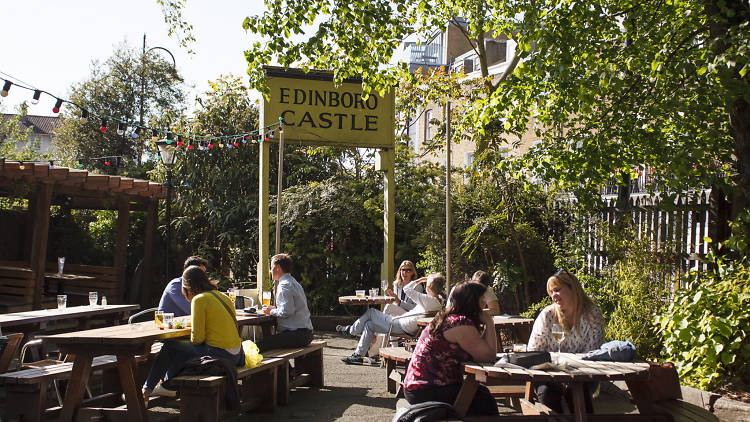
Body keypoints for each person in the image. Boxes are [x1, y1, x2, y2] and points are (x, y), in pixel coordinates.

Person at [143, 266, 244, 397]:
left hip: (221, 356)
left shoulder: (199, 299)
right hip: (237, 355)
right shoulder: (223, 297)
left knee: (170, 347)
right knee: (178, 348)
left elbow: (197, 339)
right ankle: (169, 386)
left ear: (186, 287)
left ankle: (147, 389)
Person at [402, 281, 498, 415]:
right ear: (472, 302)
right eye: (482, 300)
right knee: (484, 401)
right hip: (427, 390)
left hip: (417, 387)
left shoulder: (446, 318)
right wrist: (489, 322)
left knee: (480, 393)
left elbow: (480, 351)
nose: (484, 305)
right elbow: (489, 356)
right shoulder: (460, 324)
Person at [527, 269, 604, 413]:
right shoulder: (548, 315)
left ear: (572, 289)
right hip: (547, 373)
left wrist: (570, 374)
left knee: (576, 392)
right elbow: (533, 352)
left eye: (557, 290)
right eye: (551, 292)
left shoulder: (592, 315)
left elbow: (594, 354)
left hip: (583, 373)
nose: (553, 296)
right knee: (548, 394)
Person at [338, 273, 445, 365]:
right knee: (369, 325)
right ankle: (358, 355)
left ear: (428, 286)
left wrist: (419, 280)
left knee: (371, 312)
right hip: (404, 324)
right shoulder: (439, 300)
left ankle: (351, 330)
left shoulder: (427, 299)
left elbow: (406, 289)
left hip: (401, 325)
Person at [257, 253, 314, 352]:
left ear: (278, 267)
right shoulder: (293, 282)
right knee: (269, 342)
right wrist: (274, 309)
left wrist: (271, 312)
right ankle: (286, 368)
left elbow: (287, 312)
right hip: (306, 334)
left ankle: (274, 367)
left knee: (260, 345)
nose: (270, 271)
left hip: (298, 335)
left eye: (271, 267)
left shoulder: (284, 285)